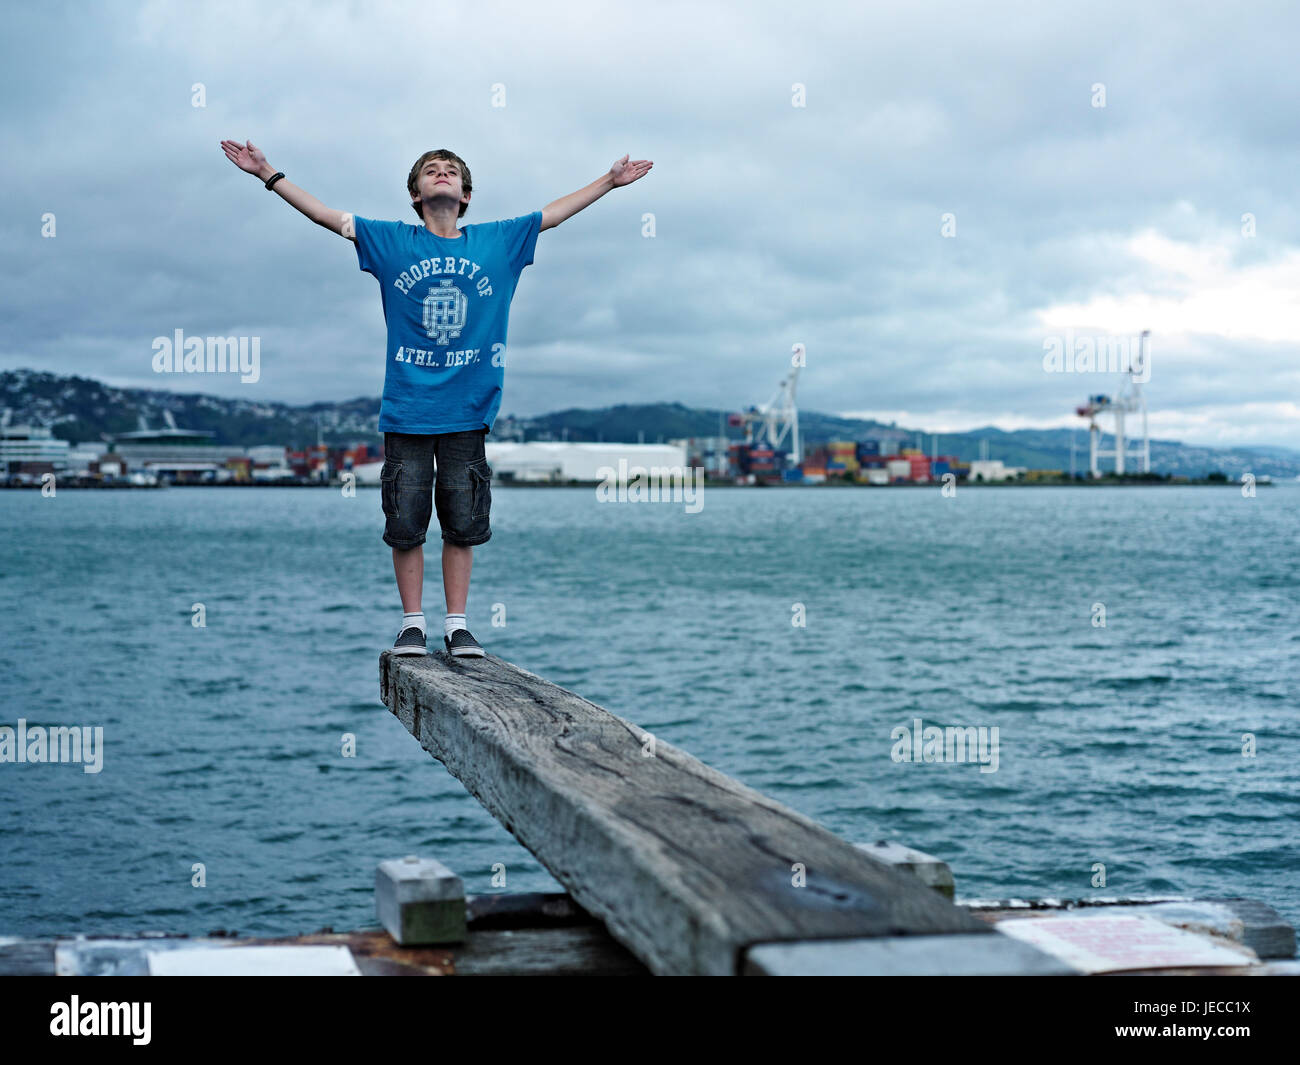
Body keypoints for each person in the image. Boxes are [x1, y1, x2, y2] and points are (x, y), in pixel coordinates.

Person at [220, 139, 652, 657]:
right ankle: (411, 624)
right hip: (407, 409)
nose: (441, 174)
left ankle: (457, 625)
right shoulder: (391, 242)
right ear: (415, 195)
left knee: (463, 523)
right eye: (431, 170)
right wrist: (266, 172)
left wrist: (608, 181)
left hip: (469, 411)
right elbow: (324, 216)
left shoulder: (498, 242)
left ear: (466, 195)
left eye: (451, 171)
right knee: (405, 524)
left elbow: (552, 215)